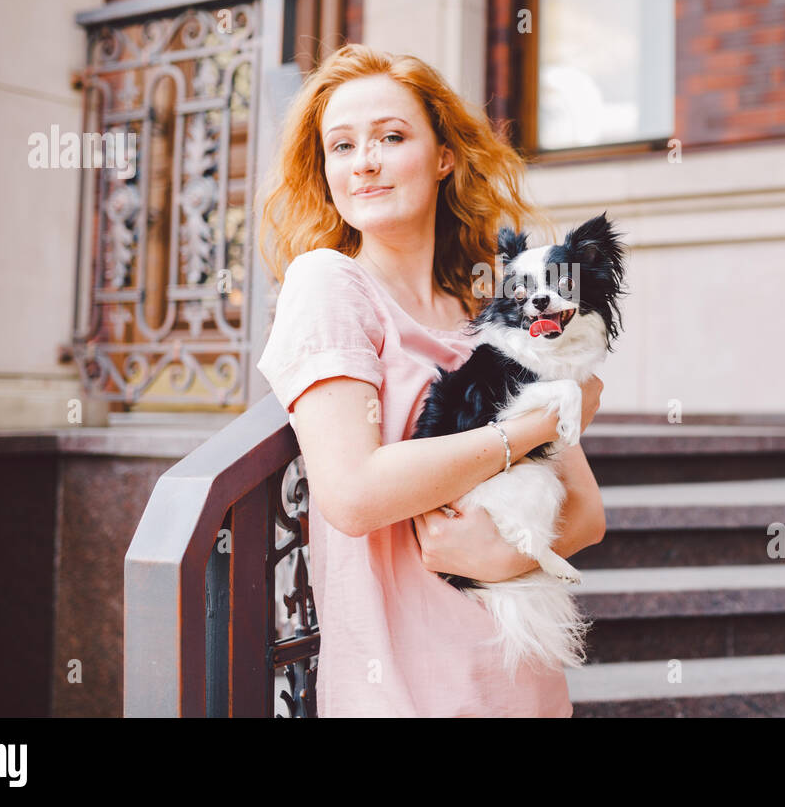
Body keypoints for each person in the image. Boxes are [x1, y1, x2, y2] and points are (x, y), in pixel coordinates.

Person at [254, 43, 606, 717]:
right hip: (409, 696)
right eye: (342, 146)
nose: (366, 161)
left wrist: (506, 553)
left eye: (391, 136)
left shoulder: (491, 307)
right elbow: (354, 493)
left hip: (526, 687)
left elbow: (587, 511)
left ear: (444, 156)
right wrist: (538, 423)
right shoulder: (329, 284)